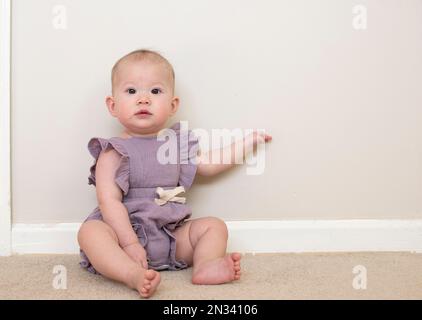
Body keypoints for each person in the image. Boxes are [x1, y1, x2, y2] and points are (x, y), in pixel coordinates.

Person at [77, 49, 272, 298]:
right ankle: (131, 274)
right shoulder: (113, 152)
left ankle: (206, 266)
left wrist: (247, 142)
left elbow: (209, 163)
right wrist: (129, 243)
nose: (143, 99)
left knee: (213, 226)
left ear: (172, 105)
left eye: (155, 91)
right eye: (132, 91)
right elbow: (108, 201)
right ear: (112, 106)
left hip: (170, 236)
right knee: (91, 233)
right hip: (123, 239)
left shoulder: (176, 145)